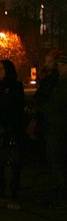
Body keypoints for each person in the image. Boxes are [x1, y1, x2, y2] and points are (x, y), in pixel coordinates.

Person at [0, 60, 24, 200]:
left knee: (15, 159)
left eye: (2, 69)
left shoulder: (16, 86)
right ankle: (1, 183)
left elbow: (18, 106)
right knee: (0, 159)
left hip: (13, 126)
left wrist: (11, 125)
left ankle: (14, 185)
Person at [37, 52, 67, 207]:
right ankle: (57, 193)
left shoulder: (62, 85)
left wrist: (41, 108)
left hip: (59, 129)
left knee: (59, 164)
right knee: (55, 163)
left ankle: (61, 196)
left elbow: (53, 104)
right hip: (54, 128)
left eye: (63, 66)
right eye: (59, 66)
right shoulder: (58, 82)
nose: (59, 69)